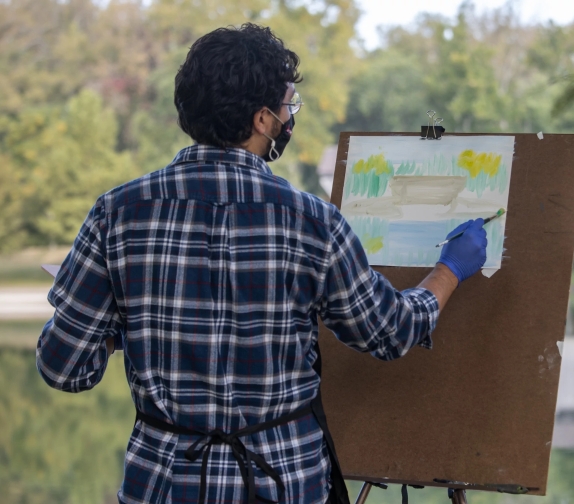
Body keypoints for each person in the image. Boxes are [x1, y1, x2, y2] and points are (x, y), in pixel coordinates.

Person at [35, 23, 488, 504]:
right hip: (284, 483)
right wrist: (450, 270)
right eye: (288, 105)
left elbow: (64, 369)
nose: (290, 117)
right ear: (262, 120)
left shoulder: (117, 212)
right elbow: (390, 331)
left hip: (162, 486)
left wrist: (126, 326)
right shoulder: (312, 221)